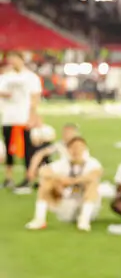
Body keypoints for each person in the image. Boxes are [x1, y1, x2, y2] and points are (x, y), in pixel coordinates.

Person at [25, 136, 103, 232]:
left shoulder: (92, 163)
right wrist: (59, 179)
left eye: (79, 147)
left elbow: (96, 173)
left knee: (92, 183)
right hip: (66, 206)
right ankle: (39, 219)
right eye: (73, 147)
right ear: (68, 150)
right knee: (46, 182)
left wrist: (73, 181)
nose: (76, 151)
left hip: (87, 206)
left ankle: (84, 220)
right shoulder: (63, 163)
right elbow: (43, 171)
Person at [0, 52, 42, 189]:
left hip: (24, 118)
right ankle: (8, 177)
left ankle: (28, 176)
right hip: (8, 117)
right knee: (8, 148)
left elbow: (35, 97)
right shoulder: (5, 77)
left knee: (27, 149)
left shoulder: (31, 77)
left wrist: (33, 116)